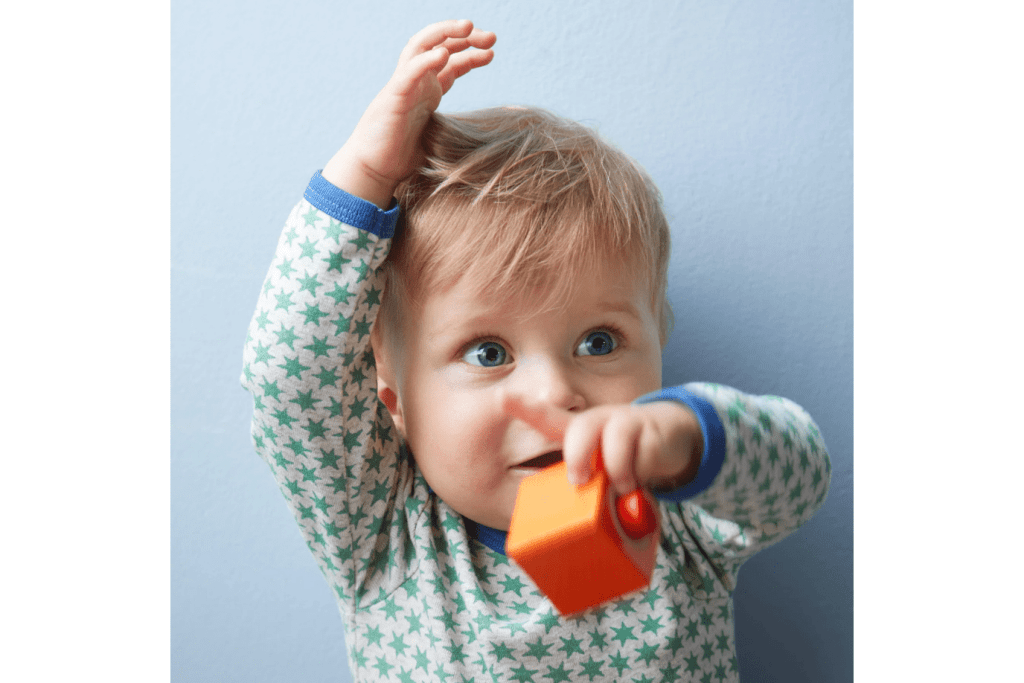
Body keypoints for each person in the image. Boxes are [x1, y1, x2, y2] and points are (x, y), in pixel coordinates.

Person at [241, 19, 830, 682]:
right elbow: (289, 378)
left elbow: (801, 474)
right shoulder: (382, 534)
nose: (555, 392)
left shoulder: (681, 515)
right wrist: (366, 173)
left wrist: (686, 438)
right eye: (488, 353)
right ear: (395, 403)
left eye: (599, 342)